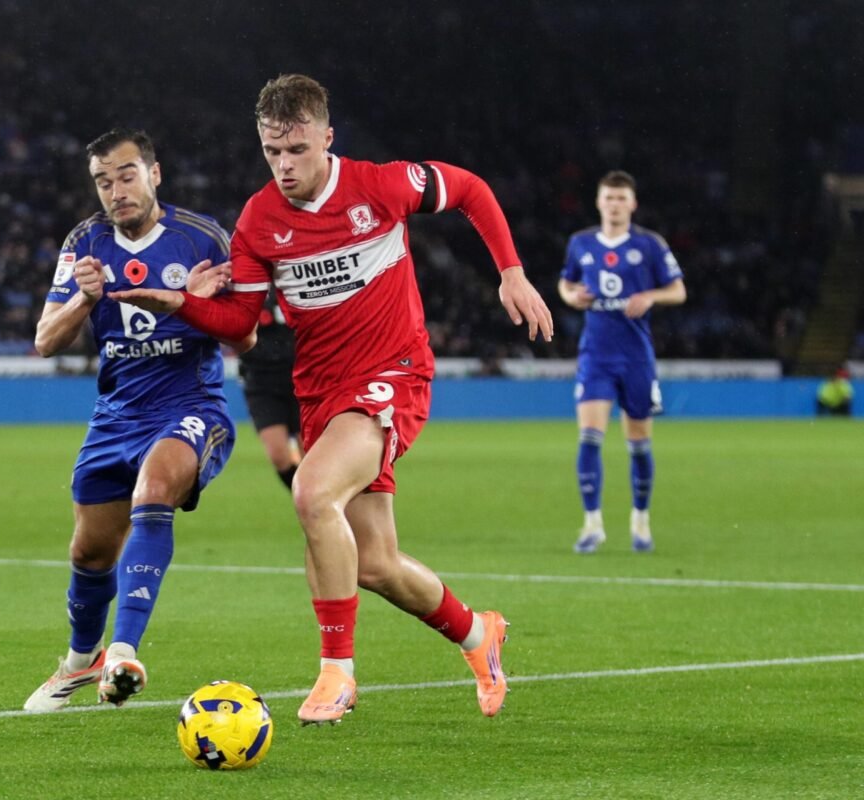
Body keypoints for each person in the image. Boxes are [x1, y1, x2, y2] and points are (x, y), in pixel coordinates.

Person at [112, 74, 553, 725]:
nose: (284, 166)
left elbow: (471, 190)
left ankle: (337, 674)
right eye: (272, 153)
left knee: (312, 493)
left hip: (393, 374)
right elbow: (243, 325)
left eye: (296, 150)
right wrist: (182, 302)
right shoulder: (260, 219)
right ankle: (477, 635)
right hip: (320, 394)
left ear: (327, 137)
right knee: (372, 562)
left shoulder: (381, 186)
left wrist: (510, 271)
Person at [23, 128, 253, 712]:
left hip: (190, 406)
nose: (116, 190)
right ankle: (82, 660)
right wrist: (83, 299)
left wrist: (193, 303)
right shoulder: (86, 241)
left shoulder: (201, 239)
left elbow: (246, 333)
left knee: (154, 489)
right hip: (116, 415)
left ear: (155, 173)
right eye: (104, 181)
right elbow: (45, 341)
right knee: (89, 553)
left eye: (127, 175)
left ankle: (123, 651)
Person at [557, 170, 687, 555]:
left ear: (632, 204)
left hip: (635, 357)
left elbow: (678, 290)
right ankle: (592, 523)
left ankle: (640, 519)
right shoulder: (580, 243)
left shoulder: (649, 245)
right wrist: (569, 296)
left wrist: (650, 297)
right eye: (608, 198)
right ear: (598, 202)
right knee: (589, 438)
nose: (614, 204)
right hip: (595, 355)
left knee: (638, 443)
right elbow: (565, 283)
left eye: (620, 198)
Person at [237, 287, 303, 489]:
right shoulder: (242, 285)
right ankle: (307, 504)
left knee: (312, 456)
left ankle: (320, 506)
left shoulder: (290, 280)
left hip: (300, 378)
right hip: (260, 381)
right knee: (279, 456)